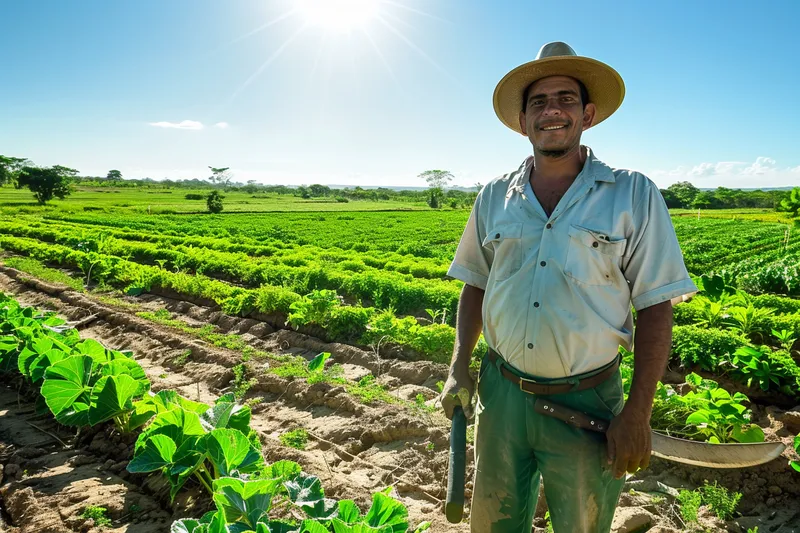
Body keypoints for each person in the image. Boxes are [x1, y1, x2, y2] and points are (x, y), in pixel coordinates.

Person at [439, 42, 698, 532]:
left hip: (588, 399)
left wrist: (637, 413)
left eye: (565, 98)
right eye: (538, 101)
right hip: (503, 393)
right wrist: (458, 368)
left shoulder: (632, 193)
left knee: (582, 524)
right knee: (494, 521)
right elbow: (475, 282)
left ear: (589, 114)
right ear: (522, 121)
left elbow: (657, 306)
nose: (552, 110)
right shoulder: (494, 196)